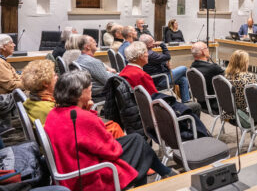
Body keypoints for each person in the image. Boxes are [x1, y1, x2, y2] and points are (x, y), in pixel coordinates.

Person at [44, 70, 176, 191]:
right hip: (90, 175)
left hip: (71, 169)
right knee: (140, 150)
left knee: (136, 139)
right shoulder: (83, 118)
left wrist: (86, 110)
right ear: (79, 94)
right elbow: (112, 151)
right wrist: (88, 113)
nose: (91, 91)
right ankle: (164, 174)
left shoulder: (53, 113)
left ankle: (164, 173)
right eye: (89, 89)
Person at [118, 42, 206, 137]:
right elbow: (157, 99)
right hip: (153, 114)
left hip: (136, 114)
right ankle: (193, 137)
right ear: (140, 56)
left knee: (182, 80)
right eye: (146, 52)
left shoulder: (124, 71)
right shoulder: (141, 75)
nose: (148, 54)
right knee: (195, 106)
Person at [140, 34, 191, 103]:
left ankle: (186, 101)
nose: (155, 42)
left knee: (183, 79)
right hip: (161, 80)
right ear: (148, 45)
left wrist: (165, 64)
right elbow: (167, 56)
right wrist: (162, 44)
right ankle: (190, 91)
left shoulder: (145, 52)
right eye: (153, 41)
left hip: (157, 78)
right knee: (184, 68)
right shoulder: (151, 54)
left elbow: (160, 61)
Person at [76, 35, 116, 100]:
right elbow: (108, 81)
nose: (96, 44)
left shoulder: (79, 59)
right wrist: (117, 75)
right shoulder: (92, 62)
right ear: (88, 47)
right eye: (94, 42)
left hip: (86, 92)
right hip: (99, 94)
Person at [0, 34, 23, 134]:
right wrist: (30, 83)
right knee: (38, 92)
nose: (14, 45)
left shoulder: (3, 61)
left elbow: (16, 78)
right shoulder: (0, 63)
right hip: (6, 96)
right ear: (3, 47)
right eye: (11, 43)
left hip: (12, 92)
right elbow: (11, 85)